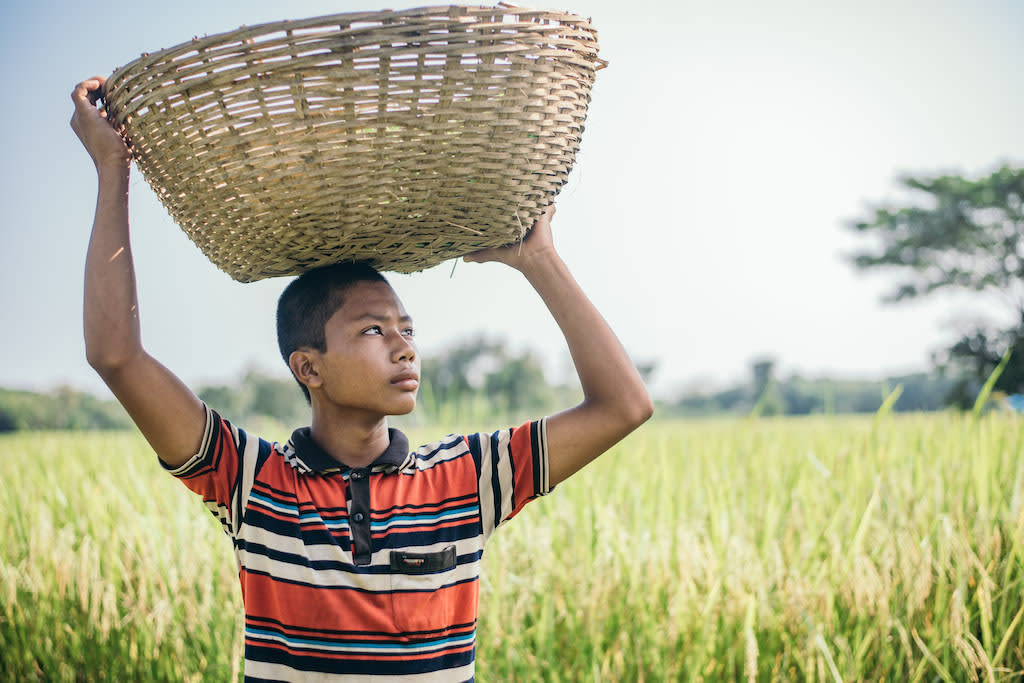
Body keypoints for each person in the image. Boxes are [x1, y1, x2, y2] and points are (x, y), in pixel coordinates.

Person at [72, 75, 653, 681]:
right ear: (309, 367)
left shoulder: (465, 479)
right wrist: (113, 168)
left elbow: (624, 406)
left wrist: (540, 259)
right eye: (373, 331)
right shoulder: (251, 481)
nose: (404, 347)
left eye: (407, 329)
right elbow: (116, 354)